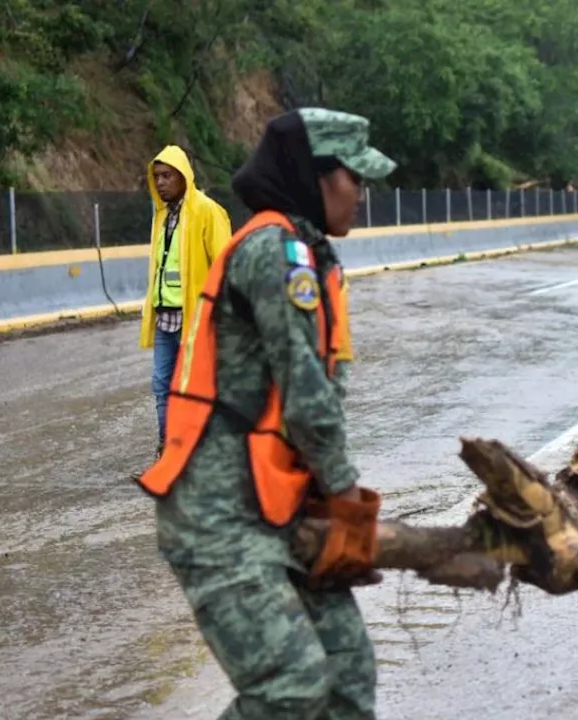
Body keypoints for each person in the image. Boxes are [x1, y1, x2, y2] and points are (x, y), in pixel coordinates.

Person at [136, 107, 397, 719]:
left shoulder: (308, 253)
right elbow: (307, 397)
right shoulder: (275, 252)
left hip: (274, 508)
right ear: (317, 176)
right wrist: (346, 504)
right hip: (218, 517)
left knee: (347, 674)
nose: (362, 193)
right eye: (353, 178)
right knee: (291, 686)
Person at [141, 145, 233, 457]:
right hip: (166, 316)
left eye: (167, 176)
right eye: (157, 177)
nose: (161, 182)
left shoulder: (207, 211)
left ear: (184, 177)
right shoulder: (162, 216)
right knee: (162, 385)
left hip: (197, 317)